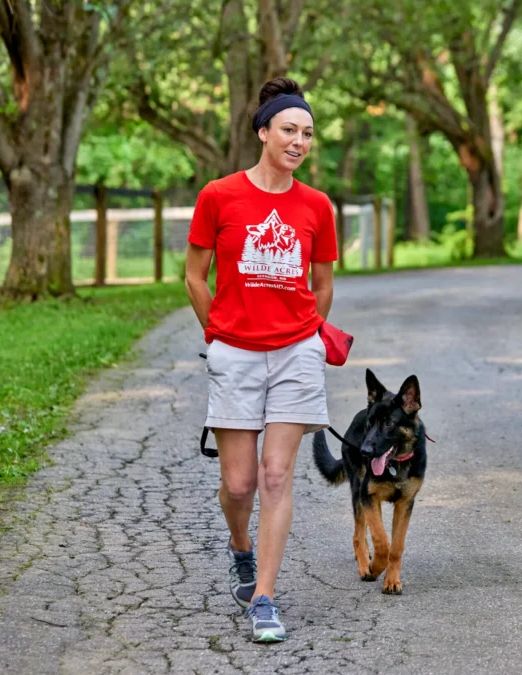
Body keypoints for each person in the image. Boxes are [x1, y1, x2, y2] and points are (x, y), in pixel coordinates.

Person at [184, 77, 337, 643]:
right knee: (239, 483)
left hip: (296, 352)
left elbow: (323, 284)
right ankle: (240, 547)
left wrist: (307, 336)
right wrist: (220, 333)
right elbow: (195, 276)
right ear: (263, 132)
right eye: (289, 130)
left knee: (276, 475)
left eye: (308, 133)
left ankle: (265, 599)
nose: (299, 141)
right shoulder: (218, 196)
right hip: (236, 353)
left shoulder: (317, 205)